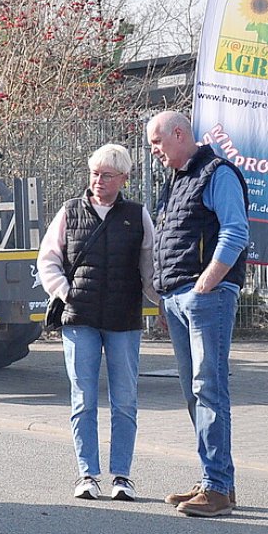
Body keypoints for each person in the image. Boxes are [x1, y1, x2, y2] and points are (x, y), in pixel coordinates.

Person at [37, 144, 159, 502]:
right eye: (94, 173)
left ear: (124, 178)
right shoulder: (70, 211)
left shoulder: (138, 215)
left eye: (107, 175)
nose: (98, 181)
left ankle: (122, 475)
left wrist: (164, 303)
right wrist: (65, 292)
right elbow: (48, 258)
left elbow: (149, 267)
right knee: (83, 399)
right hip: (81, 319)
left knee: (124, 401)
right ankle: (87, 474)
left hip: (124, 319)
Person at [146, 109, 250, 518]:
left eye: (157, 142)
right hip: (178, 296)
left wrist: (207, 282)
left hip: (205, 296)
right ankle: (215, 479)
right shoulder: (179, 179)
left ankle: (218, 488)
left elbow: (235, 230)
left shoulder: (217, 173)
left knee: (208, 388)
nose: (153, 151)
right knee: (194, 390)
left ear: (178, 133)